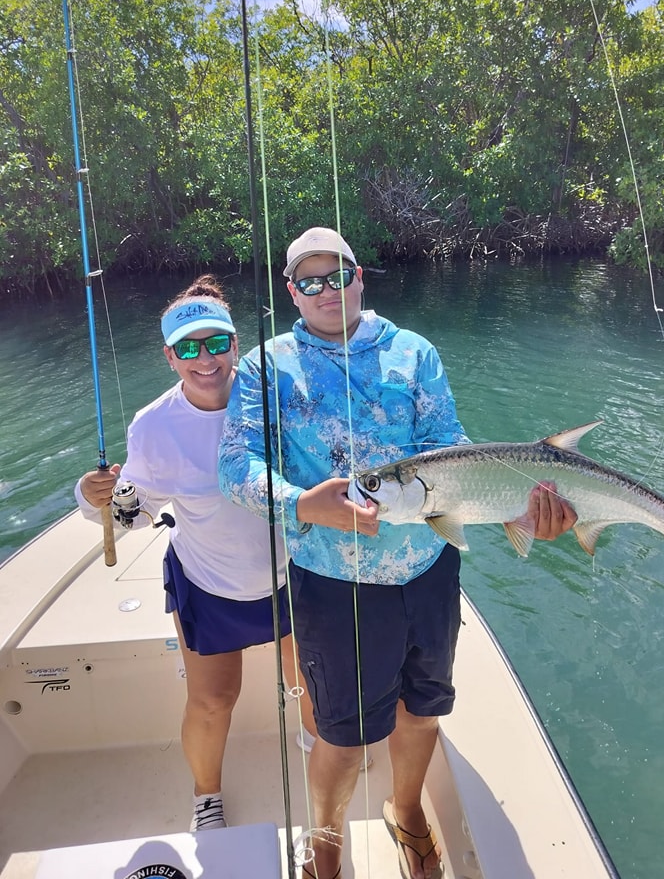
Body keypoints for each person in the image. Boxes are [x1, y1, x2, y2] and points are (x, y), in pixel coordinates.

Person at [218, 229, 577, 879]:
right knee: (340, 734)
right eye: (310, 280)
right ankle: (326, 840)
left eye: (338, 275)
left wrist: (521, 508)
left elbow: (450, 446)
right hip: (332, 584)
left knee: (423, 712)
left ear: (359, 277)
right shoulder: (265, 367)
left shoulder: (414, 352)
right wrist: (302, 503)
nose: (327, 290)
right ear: (291, 290)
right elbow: (236, 465)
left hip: (429, 571)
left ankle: (405, 809)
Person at [75, 275, 315, 833]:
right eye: (187, 348)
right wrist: (94, 498)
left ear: (236, 344)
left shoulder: (282, 395)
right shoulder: (154, 427)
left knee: (309, 678)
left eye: (216, 343)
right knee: (213, 701)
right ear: (169, 356)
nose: (205, 359)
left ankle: (317, 740)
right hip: (210, 583)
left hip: (295, 572)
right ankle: (207, 796)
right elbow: (135, 512)